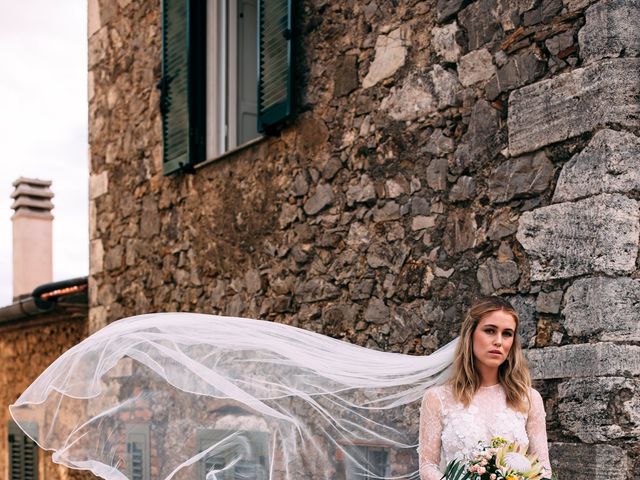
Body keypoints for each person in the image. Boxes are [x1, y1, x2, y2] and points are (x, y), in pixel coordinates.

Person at [418, 296, 553, 479]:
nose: (498, 341)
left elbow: (543, 468)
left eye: (507, 334)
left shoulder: (528, 398)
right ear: (471, 334)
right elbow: (427, 466)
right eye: (490, 331)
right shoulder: (437, 398)